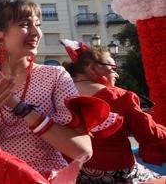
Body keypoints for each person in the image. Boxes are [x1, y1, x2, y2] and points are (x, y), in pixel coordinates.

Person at [0, 0, 117, 179]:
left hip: (44, 178)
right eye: (24, 25)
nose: (37, 33)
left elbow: (83, 150)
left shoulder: (55, 76)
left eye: (37, 25)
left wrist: (19, 107)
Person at [61, 40, 165, 183]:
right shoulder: (119, 96)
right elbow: (149, 134)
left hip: (74, 173)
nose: (117, 75)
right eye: (113, 68)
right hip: (117, 172)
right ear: (92, 68)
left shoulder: (58, 93)